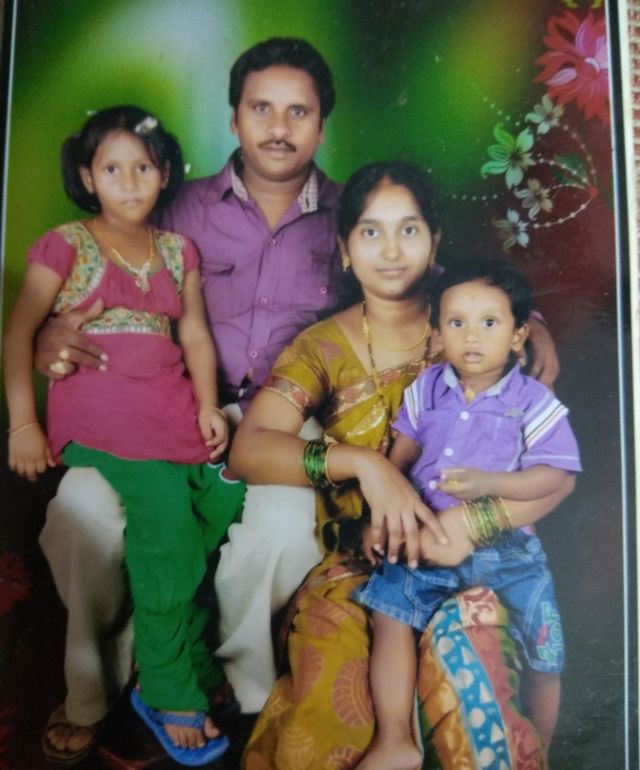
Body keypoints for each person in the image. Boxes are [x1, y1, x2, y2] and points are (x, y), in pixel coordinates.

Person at [30, 38, 560, 755]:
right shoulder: (175, 208)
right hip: (170, 410)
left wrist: (533, 323)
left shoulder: (357, 212)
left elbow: (445, 284)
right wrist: (49, 331)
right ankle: (98, 685)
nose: (279, 128)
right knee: (81, 514)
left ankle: (237, 689)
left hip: (294, 421)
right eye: (261, 109)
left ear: (322, 125)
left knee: (280, 534)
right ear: (233, 117)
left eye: (298, 112)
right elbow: (105, 266)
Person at [229, 162, 575, 770]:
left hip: (485, 556)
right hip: (367, 559)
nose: (391, 251)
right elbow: (249, 449)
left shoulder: (480, 331)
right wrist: (367, 465)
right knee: (333, 692)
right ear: (344, 249)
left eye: (408, 230)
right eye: (370, 232)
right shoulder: (322, 348)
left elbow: (555, 476)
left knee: (474, 673)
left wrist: (472, 524)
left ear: (435, 243)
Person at [3, 106, 246, 766]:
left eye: (143, 167)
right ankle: (166, 686)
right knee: (166, 518)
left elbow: (194, 334)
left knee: (219, 497)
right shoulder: (67, 244)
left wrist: (208, 405)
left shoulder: (177, 250)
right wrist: (23, 423)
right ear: (88, 177)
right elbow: (19, 332)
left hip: (169, 414)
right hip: (104, 422)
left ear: (165, 173)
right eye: (112, 168)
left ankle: (181, 646)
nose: (130, 181)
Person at [352, 257, 581, 770]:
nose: (471, 336)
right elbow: (399, 459)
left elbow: (555, 475)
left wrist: (491, 484)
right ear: (437, 333)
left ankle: (541, 749)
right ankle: (395, 738)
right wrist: (379, 517)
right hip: (427, 536)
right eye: (456, 323)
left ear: (519, 335)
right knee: (389, 611)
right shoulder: (427, 387)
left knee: (545, 651)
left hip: (508, 549)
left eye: (490, 323)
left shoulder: (533, 401)